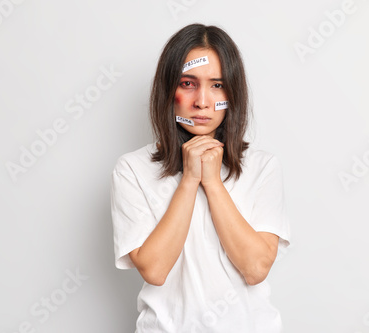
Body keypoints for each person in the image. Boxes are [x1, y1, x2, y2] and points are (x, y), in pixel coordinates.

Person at [110, 23, 291, 332]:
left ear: (232, 93)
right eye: (188, 83)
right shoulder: (132, 169)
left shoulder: (263, 166)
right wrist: (190, 179)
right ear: (169, 90)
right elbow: (154, 270)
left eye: (217, 85)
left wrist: (213, 182)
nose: (203, 102)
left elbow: (256, 268)